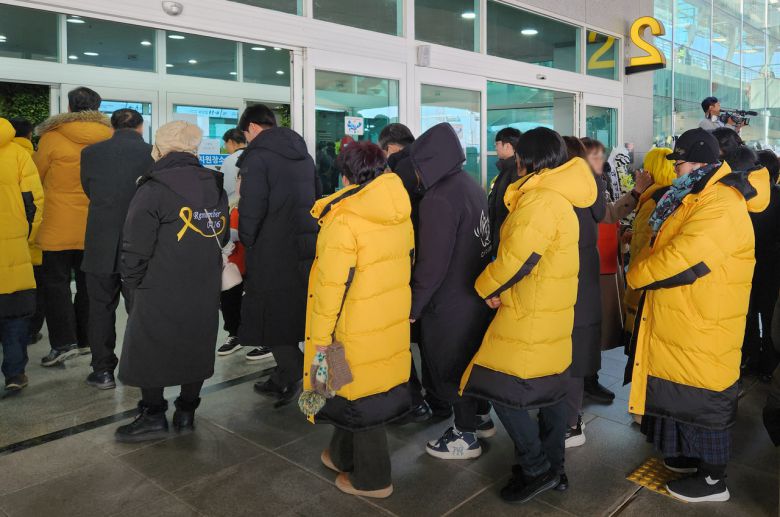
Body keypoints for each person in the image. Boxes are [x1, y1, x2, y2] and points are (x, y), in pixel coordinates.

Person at [627, 128, 768, 503]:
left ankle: (713, 481)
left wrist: (637, 273)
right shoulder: (697, 193)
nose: (676, 171)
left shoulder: (720, 201)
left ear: (702, 164)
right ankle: (692, 460)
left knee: (703, 399)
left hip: (704, 319)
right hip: (690, 315)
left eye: (681, 163)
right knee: (684, 394)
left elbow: (685, 257)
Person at [460, 127, 597, 503]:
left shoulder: (540, 200)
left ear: (527, 160)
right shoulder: (560, 196)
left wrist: (486, 288)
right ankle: (555, 470)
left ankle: (537, 468)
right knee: (552, 393)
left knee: (498, 387)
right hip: (550, 309)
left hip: (531, 311)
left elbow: (515, 260)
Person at [302, 141, 413, 499]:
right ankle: (340, 454)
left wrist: (319, 338)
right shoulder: (398, 211)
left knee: (358, 399)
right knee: (354, 389)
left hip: (349, 325)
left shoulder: (344, 218)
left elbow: (331, 287)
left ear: (347, 174)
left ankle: (373, 479)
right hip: (386, 318)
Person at [115, 121, 228, 442]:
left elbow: (135, 244)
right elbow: (218, 232)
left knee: (149, 347)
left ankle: (152, 415)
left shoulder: (152, 188)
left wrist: (132, 282)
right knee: (196, 342)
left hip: (158, 282)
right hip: (204, 282)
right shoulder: (214, 184)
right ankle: (186, 412)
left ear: (160, 149)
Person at [407, 123, 493, 460]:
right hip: (474, 296)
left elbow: (431, 265)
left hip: (449, 302)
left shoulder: (437, 198)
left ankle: (464, 435)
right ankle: (481, 417)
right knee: (471, 360)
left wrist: (414, 306)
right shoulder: (471, 185)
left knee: (451, 365)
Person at [238, 104, 319, 406]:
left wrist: (248, 241)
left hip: (272, 249)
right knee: (295, 313)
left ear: (254, 128)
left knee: (269, 316)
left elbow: (251, 208)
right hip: (306, 246)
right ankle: (286, 375)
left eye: (246, 134)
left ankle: (293, 371)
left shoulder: (258, 157)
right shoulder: (304, 155)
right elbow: (317, 197)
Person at [34, 87, 112, 366]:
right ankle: (86, 340)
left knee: (55, 285)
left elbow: (37, 176)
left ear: (68, 107)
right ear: (98, 107)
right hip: (96, 225)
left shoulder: (51, 137)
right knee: (89, 284)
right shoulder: (111, 136)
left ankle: (63, 343)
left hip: (57, 224)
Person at [80, 109, 153, 390]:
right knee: (139, 307)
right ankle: (140, 368)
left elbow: (88, 189)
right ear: (140, 126)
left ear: (112, 127)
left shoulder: (91, 153)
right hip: (139, 241)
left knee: (99, 307)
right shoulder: (151, 153)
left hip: (100, 239)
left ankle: (102, 371)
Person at [581, 137, 653, 402]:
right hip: (591, 265)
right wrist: (636, 193)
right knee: (589, 326)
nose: (602, 161)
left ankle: (588, 379)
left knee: (595, 325)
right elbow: (606, 214)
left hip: (603, 260)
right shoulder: (583, 185)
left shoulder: (596, 182)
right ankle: (584, 381)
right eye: (596, 157)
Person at [379, 123, 437, 422]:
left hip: (405, 264)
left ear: (389, 148)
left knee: (399, 339)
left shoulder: (397, 174)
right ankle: (433, 399)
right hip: (431, 263)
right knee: (427, 340)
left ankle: (413, 401)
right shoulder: (428, 167)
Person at [561, 136, 605, 449]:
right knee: (572, 353)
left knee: (569, 355)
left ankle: (569, 422)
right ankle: (568, 418)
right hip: (582, 283)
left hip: (569, 286)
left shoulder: (563, 194)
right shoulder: (591, 186)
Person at [0, 117, 43, 392]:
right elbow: (34, 201)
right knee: (14, 315)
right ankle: (15, 374)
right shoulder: (17, 153)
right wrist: (27, 237)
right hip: (12, 246)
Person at [623, 148, 676, 344]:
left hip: (643, 284)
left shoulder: (652, 201)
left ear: (650, 171)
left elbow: (644, 246)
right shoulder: (673, 195)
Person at [740, 148, 780, 380]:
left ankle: (750, 357)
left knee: (748, 313)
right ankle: (769, 363)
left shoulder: (747, 196)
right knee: (768, 313)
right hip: (771, 266)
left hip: (747, 263)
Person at [10, 117, 44, 344]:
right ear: (30, 135)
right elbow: (35, 202)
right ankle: (30, 332)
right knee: (31, 290)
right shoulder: (29, 157)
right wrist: (32, 237)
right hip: (24, 238)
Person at [489, 128, 522, 255]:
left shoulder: (514, 172)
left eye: (497, 144)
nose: (495, 148)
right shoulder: (508, 170)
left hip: (504, 242)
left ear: (507, 146)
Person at [220, 128, 246, 200]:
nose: (225, 147)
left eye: (225, 144)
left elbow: (224, 186)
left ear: (230, 142)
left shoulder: (229, 160)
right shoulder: (253, 156)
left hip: (232, 203)